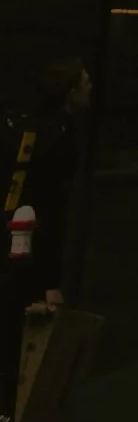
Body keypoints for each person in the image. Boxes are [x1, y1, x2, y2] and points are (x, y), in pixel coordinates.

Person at [4, 55, 91, 310]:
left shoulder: (30, 125)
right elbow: (53, 210)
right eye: (86, 83)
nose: (91, 88)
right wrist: (51, 282)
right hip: (30, 247)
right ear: (71, 93)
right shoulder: (60, 138)